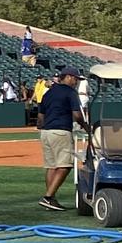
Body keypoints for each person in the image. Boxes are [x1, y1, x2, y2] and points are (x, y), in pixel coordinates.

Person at [34, 67, 85, 212]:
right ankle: (48, 197)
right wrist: (86, 127)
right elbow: (77, 115)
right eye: (75, 79)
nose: (76, 82)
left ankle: (51, 199)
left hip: (46, 132)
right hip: (61, 131)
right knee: (65, 165)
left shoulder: (48, 93)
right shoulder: (70, 92)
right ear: (68, 77)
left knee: (51, 166)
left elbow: (40, 117)